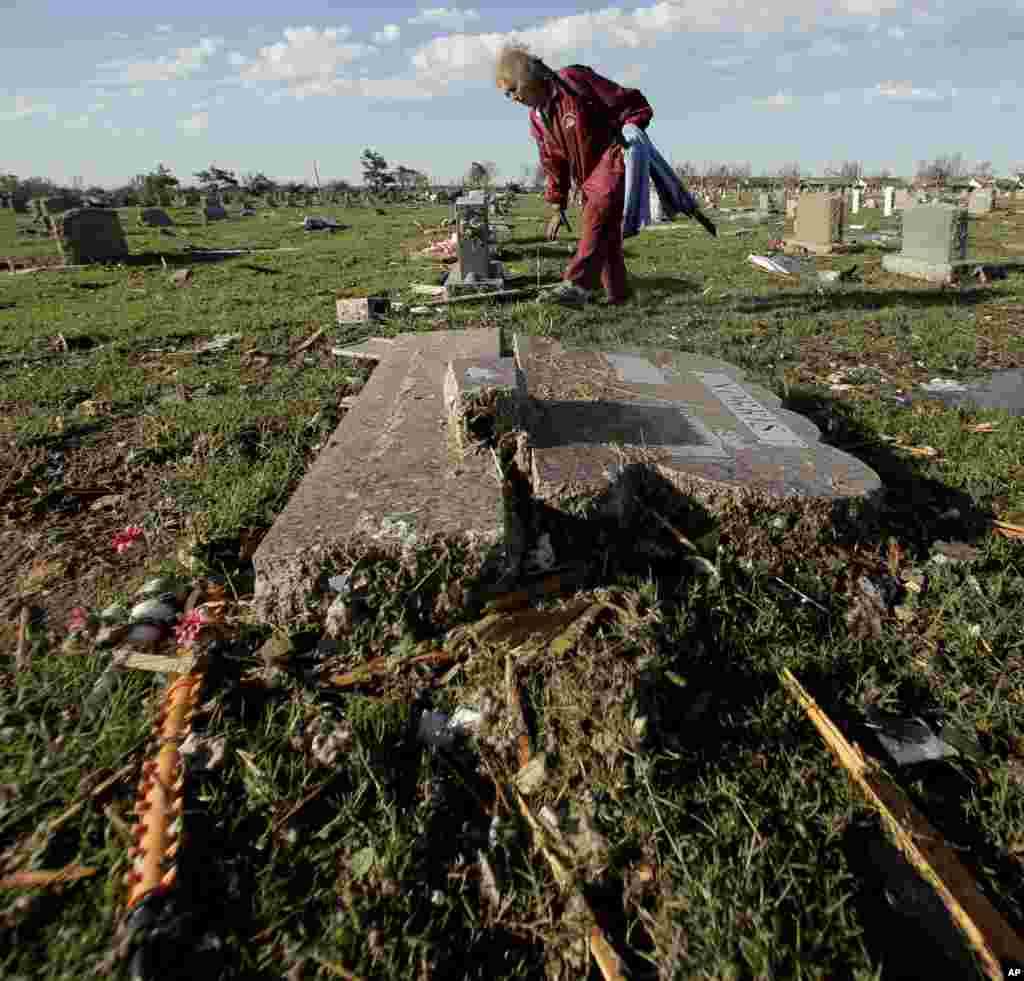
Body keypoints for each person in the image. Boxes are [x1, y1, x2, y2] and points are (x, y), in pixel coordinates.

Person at [495, 43, 652, 307]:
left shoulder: (572, 81)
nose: (514, 98)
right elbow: (553, 162)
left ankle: (576, 285)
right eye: (507, 95)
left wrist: (633, 128)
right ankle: (619, 296)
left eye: (514, 89)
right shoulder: (537, 119)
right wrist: (558, 205)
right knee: (606, 235)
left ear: (527, 76)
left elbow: (626, 100)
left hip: (611, 154)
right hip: (586, 177)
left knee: (597, 218)